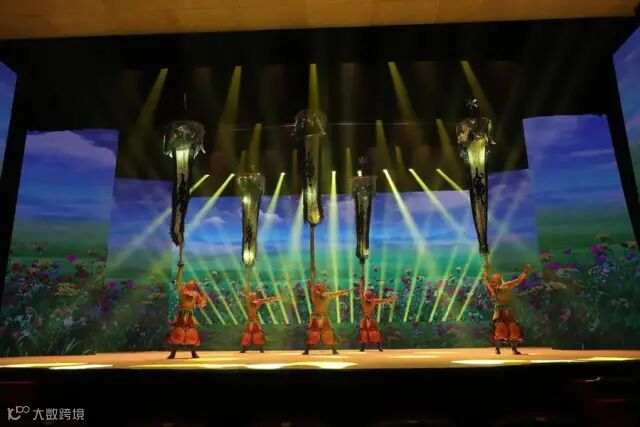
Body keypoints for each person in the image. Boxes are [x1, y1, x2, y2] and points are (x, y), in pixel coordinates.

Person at [483, 262, 533, 355]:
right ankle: (497, 349)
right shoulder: (493, 288)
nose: (495, 279)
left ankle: (514, 349)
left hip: (508, 309)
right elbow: (485, 280)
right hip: (499, 310)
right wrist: (486, 269)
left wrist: (525, 272)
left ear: (500, 278)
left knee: (513, 327)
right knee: (500, 328)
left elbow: (518, 280)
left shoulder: (507, 285)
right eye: (494, 278)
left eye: (497, 278)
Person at [166, 262, 207, 359]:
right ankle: (173, 353)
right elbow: (178, 281)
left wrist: (202, 299)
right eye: (189, 281)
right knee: (177, 332)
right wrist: (180, 269)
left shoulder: (196, 294)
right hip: (181, 313)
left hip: (189, 314)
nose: (190, 282)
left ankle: (193, 353)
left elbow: (201, 303)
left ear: (194, 285)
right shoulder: (182, 291)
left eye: (192, 282)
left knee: (191, 333)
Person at [303, 282, 350, 355]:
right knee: (312, 333)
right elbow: (313, 288)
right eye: (319, 286)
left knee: (329, 333)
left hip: (324, 316)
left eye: (322, 285)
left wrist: (345, 291)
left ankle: (334, 350)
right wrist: (312, 276)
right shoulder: (315, 295)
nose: (322, 286)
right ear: (317, 288)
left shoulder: (327, 295)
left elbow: (336, 293)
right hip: (316, 316)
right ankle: (306, 351)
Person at [357, 276, 397, 352]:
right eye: (367, 292)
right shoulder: (363, 300)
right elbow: (360, 290)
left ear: (371, 295)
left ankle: (379, 346)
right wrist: (361, 281)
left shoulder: (374, 301)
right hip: (364, 318)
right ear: (365, 295)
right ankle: (362, 347)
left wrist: (390, 299)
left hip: (371, 318)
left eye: (369, 292)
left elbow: (382, 301)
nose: (368, 292)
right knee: (363, 333)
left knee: (375, 332)